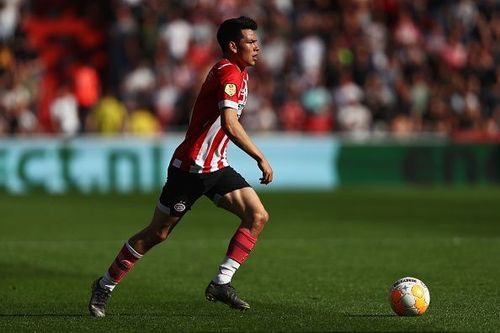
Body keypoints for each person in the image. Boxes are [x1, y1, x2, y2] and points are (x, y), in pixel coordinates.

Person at [88, 16, 273, 317]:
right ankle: (105, 285)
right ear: (232, 46)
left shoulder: (239, 73)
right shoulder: (229, 73)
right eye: (250, 41)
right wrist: (259, 156)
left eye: (256, 40)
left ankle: (221, 283)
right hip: (189, 168)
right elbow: (229, 123)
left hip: (216, 168)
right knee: (156, 234)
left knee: (257, 215)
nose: (257, 46)